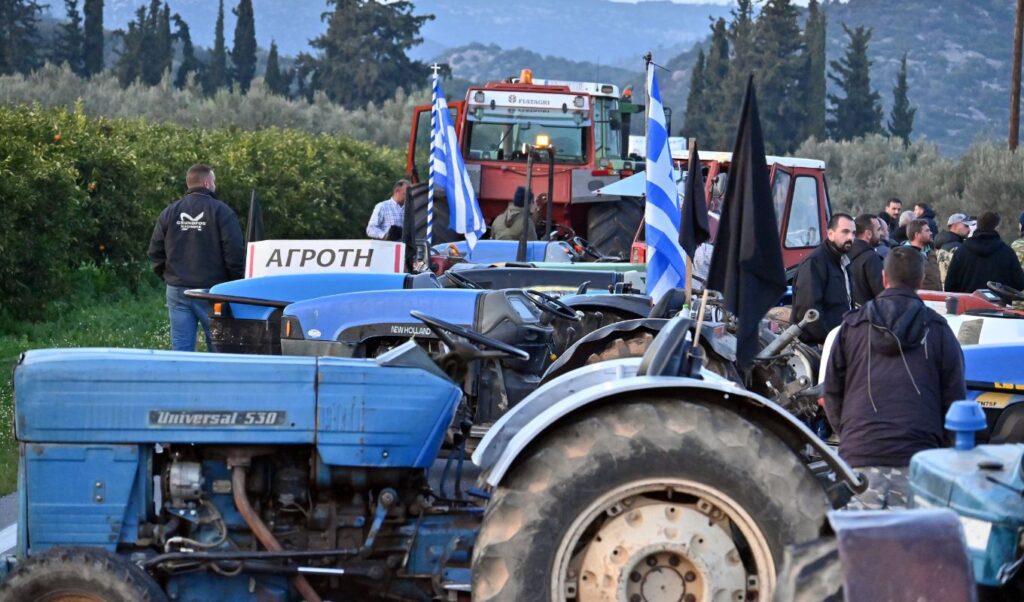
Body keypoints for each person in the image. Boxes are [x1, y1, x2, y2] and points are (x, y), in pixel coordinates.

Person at [824, 246, 965, 510]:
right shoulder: (938, 329)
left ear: (884, 278)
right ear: (921, 280)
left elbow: (831, 391)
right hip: (919, 459)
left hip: (859, 458)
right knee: (911, 536)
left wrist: (852, 434)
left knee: (858, 536)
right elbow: (955, 398)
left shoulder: (851, 327)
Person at [148, 164, 244, 352]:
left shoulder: (169, 212)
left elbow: (155, 251)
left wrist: (170, 277)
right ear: (207, 183)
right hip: (213, 292)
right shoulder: (222, 212)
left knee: (181, 350)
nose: (215, 185)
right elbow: (234, 253)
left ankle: (182, 373)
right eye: (214, 181)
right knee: (219, 348)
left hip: (177, 291)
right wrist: (234, 284)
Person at [792, 213, 855, 345]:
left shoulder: (843, 261)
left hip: (841, 340)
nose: (850, 237)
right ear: (830, 234)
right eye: (845, 232)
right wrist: (827, 340)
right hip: (818, 346)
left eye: (853, 233)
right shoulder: (814, 263)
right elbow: (809, 310)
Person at [944, 211, 1024, 293]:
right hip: (999, 300)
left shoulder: (961, 251)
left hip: (968, 300)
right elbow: (1019, 284)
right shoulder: (1007, 252)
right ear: (996, 227)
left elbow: (949, 286)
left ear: (978, 225)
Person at [848, 214, 884, 307]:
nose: (881, 233)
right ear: (868, 234)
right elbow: (882, 294)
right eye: (878, 229)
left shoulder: (844, 254)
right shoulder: (871, 258)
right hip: (868, 312)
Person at [902, 219, 942, 290]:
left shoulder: (931, 252)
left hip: (936, 295)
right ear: (917, 235)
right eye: (927, 231)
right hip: (919, 296)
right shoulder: (905, 255)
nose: (931, 233)